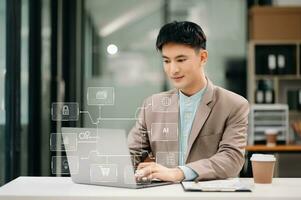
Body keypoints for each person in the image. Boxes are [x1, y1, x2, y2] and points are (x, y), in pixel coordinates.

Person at [128, 21, 249, 182]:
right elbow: (131, 153)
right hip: (163, 194)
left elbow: (231, 159)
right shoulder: (152, 105)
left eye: (181, 60)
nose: (173, 70)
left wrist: (179, 173)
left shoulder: (234, 105)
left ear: (203, 57)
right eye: (166, 61)